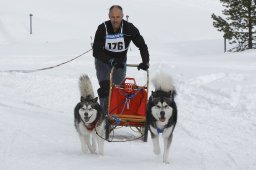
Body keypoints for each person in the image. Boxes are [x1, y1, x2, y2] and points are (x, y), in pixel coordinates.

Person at [92, 5, 150, 114]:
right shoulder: (102, 28)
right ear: (109, 16)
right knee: (105, 88)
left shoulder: (129, 28)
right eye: (113, 17)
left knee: (116, 89)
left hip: (120, 61)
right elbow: (96, 51)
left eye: (118, 17)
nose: (115, 20)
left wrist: (145, 62)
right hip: (103, 61)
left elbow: (142, 45)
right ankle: (104, 115)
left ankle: (114, 112)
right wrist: (110, 60)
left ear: (122, 16)